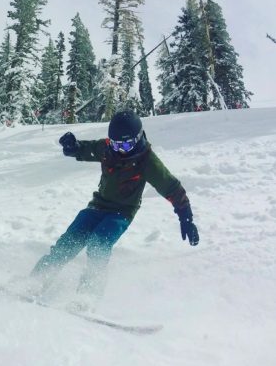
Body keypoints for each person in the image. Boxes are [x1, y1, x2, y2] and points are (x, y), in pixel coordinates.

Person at [32, 109, 199, 297]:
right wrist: (73, 146)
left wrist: (186, 218)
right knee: (68, 242)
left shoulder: (147, 161)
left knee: (98, 245)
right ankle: (37, 280)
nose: (120, 150)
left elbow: (172, 188)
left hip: (121, 213)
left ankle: (87, 296)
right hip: (97, 206)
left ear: (137, 140)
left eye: (126, 146)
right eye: (115, 144)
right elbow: (88, 149)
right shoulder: (108, 149)